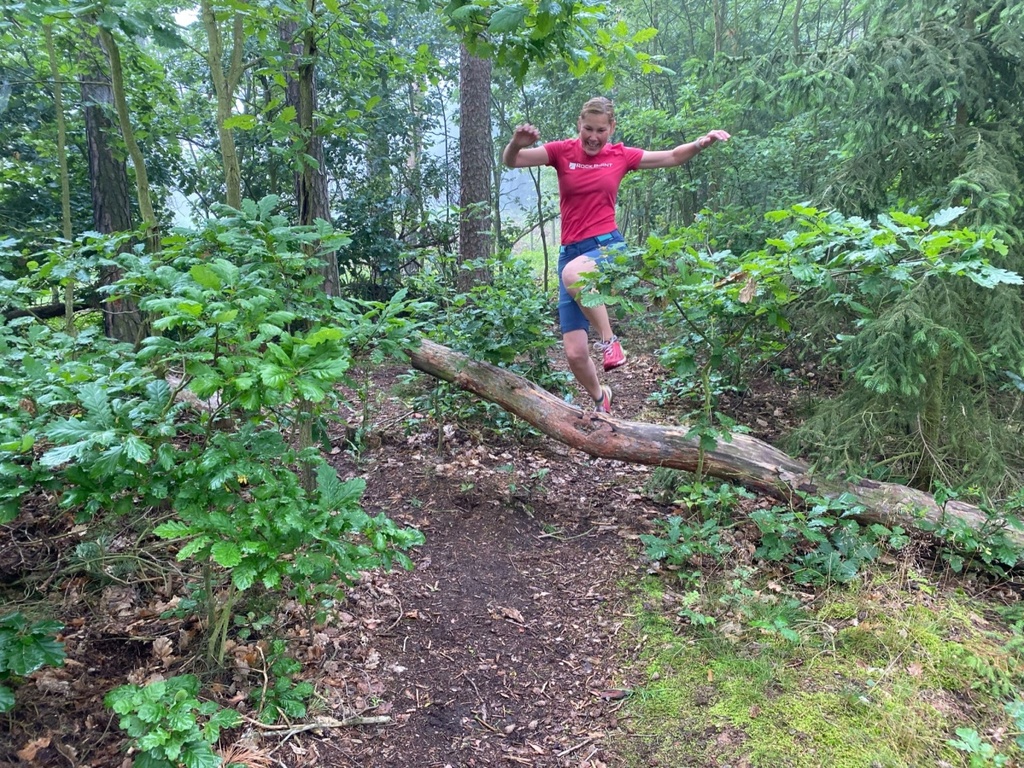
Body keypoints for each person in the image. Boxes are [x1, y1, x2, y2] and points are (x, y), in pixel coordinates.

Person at [502, 96, 731, 415]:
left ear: (611, 128)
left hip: (607, 246)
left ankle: (611, 342)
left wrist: (700, 143)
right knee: (575, 353)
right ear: (578, 126)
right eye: (588, 129)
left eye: (601, 130)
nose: (594, 137)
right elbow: (512, 161)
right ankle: (600, 397)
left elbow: (673, 157)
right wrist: (516, 142)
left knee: (573, 274)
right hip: (571, 251)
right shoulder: (561, 152)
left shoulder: (620, 156)